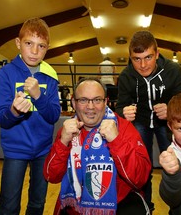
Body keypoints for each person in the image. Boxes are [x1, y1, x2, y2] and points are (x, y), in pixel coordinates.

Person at [44, 77, 151, 214]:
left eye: (97, 100)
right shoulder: (67, 130)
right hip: (76, 205)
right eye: (83, 100)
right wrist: (63, 142)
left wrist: (116, 140)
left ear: (106, 102)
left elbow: (140, 179)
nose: (90, 107)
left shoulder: (123, 128)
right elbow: (50, 176)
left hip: (119, 203)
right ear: (73, 103)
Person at [115, 30, 181, 212]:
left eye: (148, 57)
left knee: (175, 164)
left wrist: (171, 110)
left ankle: (178, 207)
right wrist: (123, 112)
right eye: (136, 59)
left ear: (157, 53)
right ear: (130, 58)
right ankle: (145, 206)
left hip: (168, 123)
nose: (143, 65)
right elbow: (119, 107)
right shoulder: (126, 76)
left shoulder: (173, 70)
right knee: (140, 167)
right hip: (141, 121)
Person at [0, 17, 61, 215]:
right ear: (18, 43)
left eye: (41, 46)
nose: (34, 51)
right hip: (15, 150)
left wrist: (38, 96)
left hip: (43, 150)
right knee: (8, 206)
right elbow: (3, 120)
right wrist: (14, 111)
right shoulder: (6, 73)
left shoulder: (50, 77)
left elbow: (53, 116)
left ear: (47, 48)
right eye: (29, 43)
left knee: (37, 203)